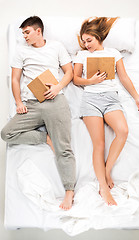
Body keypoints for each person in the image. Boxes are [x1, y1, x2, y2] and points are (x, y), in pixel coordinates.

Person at [1, 16, 76, 210]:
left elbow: (69, 72)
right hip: (31, 104)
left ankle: (69, 192)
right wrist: (18, 102)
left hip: (54, 101)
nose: (24, 36)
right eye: (22, 33)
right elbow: (15, 79)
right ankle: (45, 138)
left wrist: (58, 87)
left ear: (38, 31)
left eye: (27, 32)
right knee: (6, 133)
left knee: (64, 148)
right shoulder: (21, 51)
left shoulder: (56, 47)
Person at [73, 17, 139, 206]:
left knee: (123, 131)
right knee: (100, 144)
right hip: (91, 100)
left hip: (111, 99)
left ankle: (105, 172)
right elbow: (75, 79)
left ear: (98, 37)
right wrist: (91, 81)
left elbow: (124, 77)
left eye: (89, 40)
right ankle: (103, 188)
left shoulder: (113, 53)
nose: (86, 45)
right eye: (84, 41)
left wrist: (137, 97)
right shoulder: (82, 56)